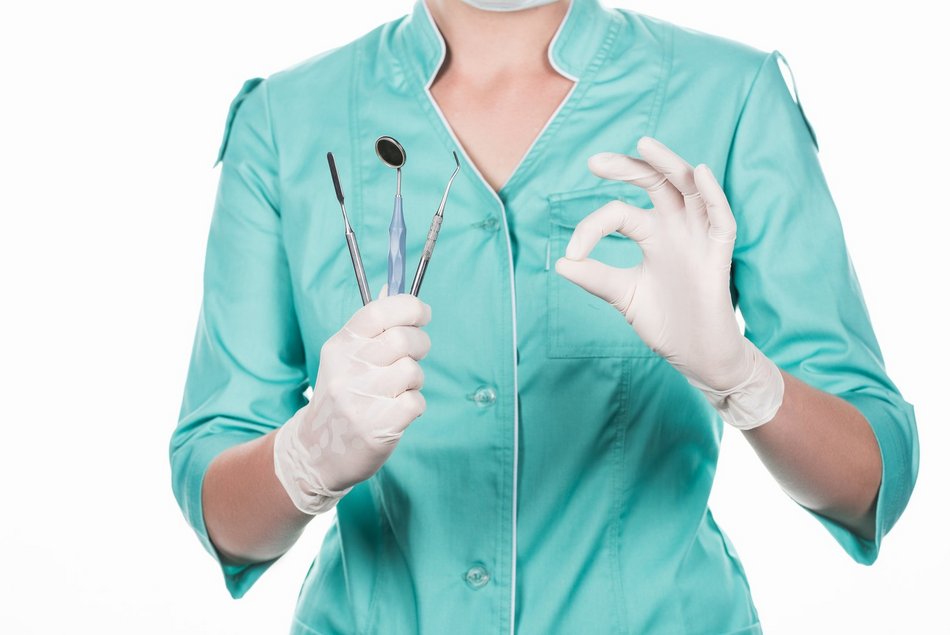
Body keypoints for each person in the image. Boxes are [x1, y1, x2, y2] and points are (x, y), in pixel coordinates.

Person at [169, 0, 920, 632]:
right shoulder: (285, 121)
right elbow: (224, 515)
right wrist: (306, 456)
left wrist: (742, 378)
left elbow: (870, 479)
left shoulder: (729, 96)